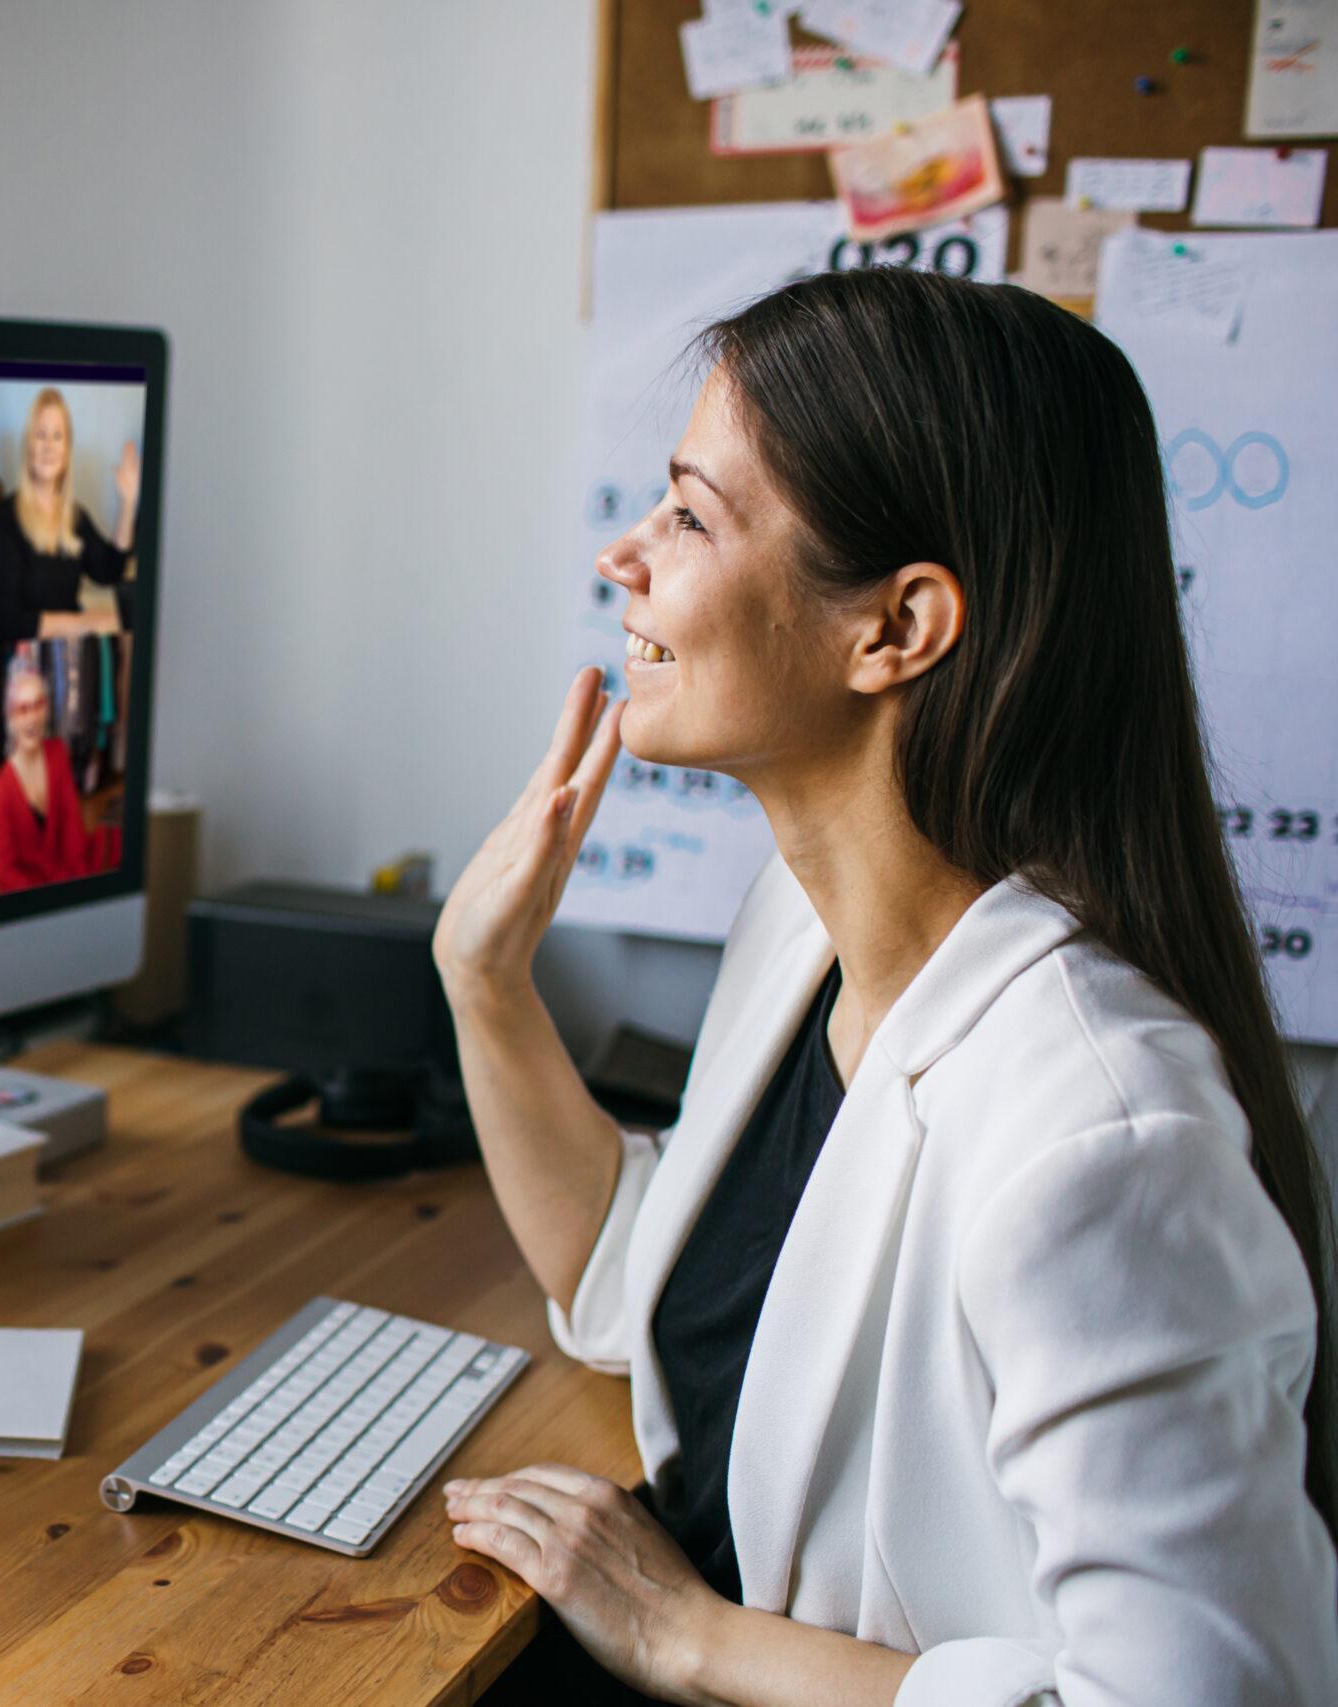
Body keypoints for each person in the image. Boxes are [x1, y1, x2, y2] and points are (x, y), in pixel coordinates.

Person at [430, 269, 1337, 1705]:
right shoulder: (798, 932)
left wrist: (694, 1637)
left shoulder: (1101, 1139)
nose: (628, 555)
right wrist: (483, 980)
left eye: (688, 513)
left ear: (897, 628)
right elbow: (632, 1281)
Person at [0, 387, 137, 643]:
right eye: (40, 435)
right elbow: (5, 621)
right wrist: (82, 623)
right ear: (28, 446)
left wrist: (127, 504)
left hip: (67, 647)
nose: (49, 446)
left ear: (67, 451)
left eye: (57, 436)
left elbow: (110, 571)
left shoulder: (75, 516)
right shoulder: (5, 517)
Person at [0, 661, 116, 892]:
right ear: (10, 718)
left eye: (38, 705)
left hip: (66, 873)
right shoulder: (1, 789)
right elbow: (5, 872)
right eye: (23, 709)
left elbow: (72, 829)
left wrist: (76, 883)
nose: (32, 718)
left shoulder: (57, 753)